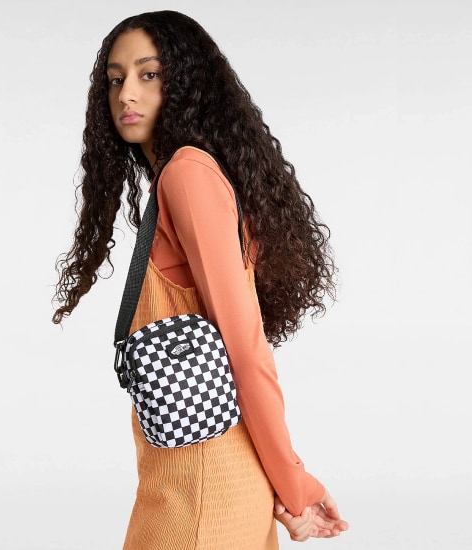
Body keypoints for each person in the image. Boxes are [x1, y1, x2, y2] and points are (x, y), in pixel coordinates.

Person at [53, 10, 348, 549]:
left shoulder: (187, 174)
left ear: (185, 84)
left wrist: (294, 482)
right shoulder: (183, 175)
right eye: (115, 79)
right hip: (203, 481)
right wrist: (286, 486)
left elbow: (244, 348)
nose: (126, 94)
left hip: (201, 494)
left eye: (149, 74)